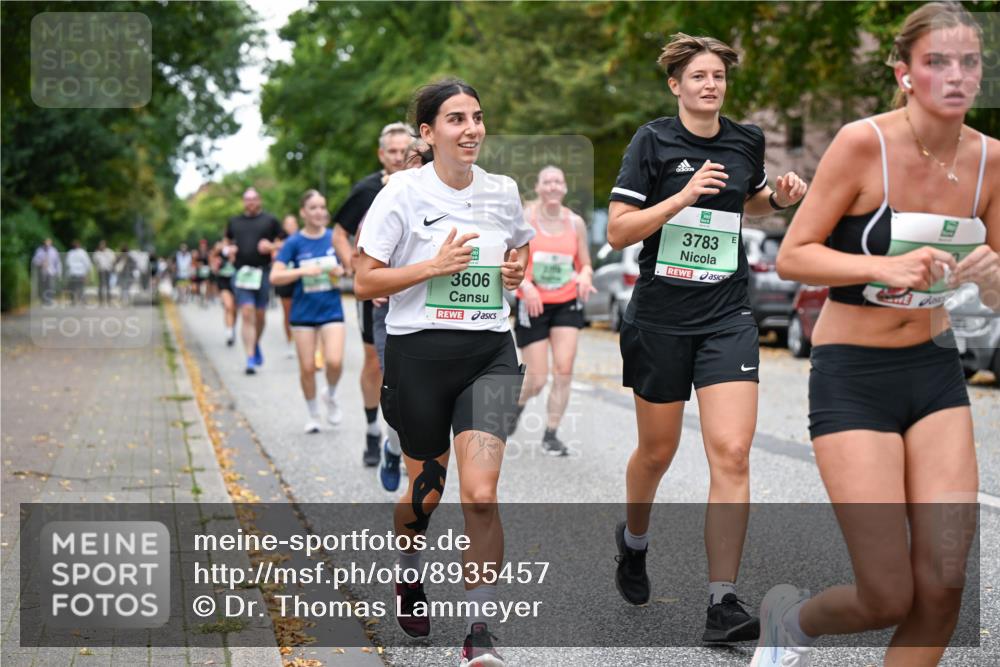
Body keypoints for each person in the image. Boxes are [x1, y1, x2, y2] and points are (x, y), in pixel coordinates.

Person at [755, 4, 995, 665]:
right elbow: (794, 256)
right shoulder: (863, 145)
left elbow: (999, 286)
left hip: (935, 372)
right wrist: (880, 266)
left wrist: (993, 280)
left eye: (969, 61)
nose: (956, 74)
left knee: (944, 585)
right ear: (904, 73)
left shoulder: (992, 162)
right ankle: (789, 622)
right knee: (887, 593)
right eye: (936, 61)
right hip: (853, 376)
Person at [606, 32, 808, 643]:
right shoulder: (652, 141)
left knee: (733, 452)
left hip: (727, 315)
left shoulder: (745, 139)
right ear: (676, 85)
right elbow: (618, 231)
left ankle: (723, 602)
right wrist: (682, 196)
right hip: (661, 319)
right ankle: (633, 540)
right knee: (657, 452)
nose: (710, 84)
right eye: (698, 76)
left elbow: (750, 201)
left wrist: (778, 198)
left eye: (718, 75)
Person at [355, 79, 533, 667]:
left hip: (490, 354)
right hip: (419, 358)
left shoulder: (502, 190)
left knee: (480, 495)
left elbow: (521, 247)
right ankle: (409, 571)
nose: (472, 129)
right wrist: (432, 267)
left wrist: (515, 272)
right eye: (456, 119)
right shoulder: (402, 193)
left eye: (477, 117)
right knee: (425, 495)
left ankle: (479, 631)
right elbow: (365, 280)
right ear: (428, 133)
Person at [333, 122, 414, 466]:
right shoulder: (367, 190)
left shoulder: (425, 185)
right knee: (375, 363)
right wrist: (357, 270)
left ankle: (404, 442)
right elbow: (340, 233)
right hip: (376, 293)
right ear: (381, 154)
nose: (397, 157)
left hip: (412, 289)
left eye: (403, 151)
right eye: (391, 151)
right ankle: (371, 430)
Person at [511, 166, 596, 456]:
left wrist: (585, 276)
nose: (552, 186)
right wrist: (526, 286)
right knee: (536, 379)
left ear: (564, 188)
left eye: (557, 182)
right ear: (538, 187)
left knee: (564, 369)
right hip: (532, 302)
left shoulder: (575, 223)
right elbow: (509, 261)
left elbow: (585, 263)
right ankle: (517, 406)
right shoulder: (525, 218)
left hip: (566, 301)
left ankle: (551, 434)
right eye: (547, 182)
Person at [371, 135, 428, 491]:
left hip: (441, 314)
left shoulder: (460, 200)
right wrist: (378, 279)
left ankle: (418, 458)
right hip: (394, 312)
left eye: (428, 160)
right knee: (401, 397)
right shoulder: (390, 197)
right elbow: (364, 262)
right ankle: (393, 449)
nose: (423, 167)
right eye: (416, 160)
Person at [271, 190, 346, 433]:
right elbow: (275, 276)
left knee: (334, 361)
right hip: (303, 313)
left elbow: (351, 267)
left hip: (331, 309)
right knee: (307, 367)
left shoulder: (334, 237)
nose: (319, 212)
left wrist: (341, 271)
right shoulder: (294, 242)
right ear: (303, 212)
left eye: (322, 207)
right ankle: (313, 415)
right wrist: (303, 271)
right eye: (313, 208)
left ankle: (330, 394)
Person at [224, 188, 282, 374]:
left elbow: (285, 242)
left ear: (259, 200)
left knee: (260, 315)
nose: (250, 202)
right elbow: (226, 242)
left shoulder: (270, 220)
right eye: (247, 199)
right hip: (242, 272)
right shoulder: (234, 221)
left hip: (262, 272)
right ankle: (250, 358)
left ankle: (255, 342)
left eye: (254, 199)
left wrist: (271, 246)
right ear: (243, 201)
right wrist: (228, 250)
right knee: (247, 312)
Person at [275, 214, 300, 357]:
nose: (291, 226)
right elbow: (274, 257)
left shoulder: (302, 238)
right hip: (285, 281)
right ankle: (290, 341)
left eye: (293, 223)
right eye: (288, 224)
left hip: (300, 280)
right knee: (288, 313)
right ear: (284, 226)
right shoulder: (279, 240)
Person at [211, 240, 239, 346]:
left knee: (234, 309)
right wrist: (216, 252)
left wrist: (233, 256)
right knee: (228, 306)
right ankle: (229, 332)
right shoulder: (220, 251)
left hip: (236, 281)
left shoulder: (237, 248)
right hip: (223, 281)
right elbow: (213, 264)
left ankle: (232, 327)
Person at [32, 238, 61, 305]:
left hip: (51, 272)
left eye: (48, 243)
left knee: (51, 286)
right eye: (45, 243)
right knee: (43, 286)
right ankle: (44, 300)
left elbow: (58, 262)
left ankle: (50, 300)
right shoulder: (39, 251)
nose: (47, 245)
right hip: (42, 272)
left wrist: (58, 272)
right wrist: (40, 263)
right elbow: (34, 261)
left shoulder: (54, 251)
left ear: (51, 243)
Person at [65, 240, 93, 305]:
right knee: (74, 287)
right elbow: (68, 263)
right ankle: (74, 300)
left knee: (81, 287)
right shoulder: (71, 253)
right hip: (74, 273)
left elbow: (87, 263)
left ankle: (81, 300)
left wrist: (88, 273)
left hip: (80, 273)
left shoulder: (82, 252)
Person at [93, 240, 116, 306]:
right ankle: (100, 301)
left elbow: (113, 259)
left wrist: (110, 265)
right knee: (101, 285)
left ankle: (108, 300)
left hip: (107, 270)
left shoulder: (109, 252)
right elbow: (95, 261)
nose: (101, 246)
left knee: (108, 285)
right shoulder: (97, 253)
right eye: (100, 245)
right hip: (100, 270)